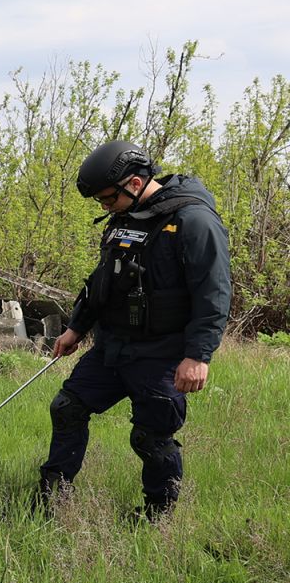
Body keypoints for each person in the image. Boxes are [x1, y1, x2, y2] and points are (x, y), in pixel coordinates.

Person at [38, 141, 231, 519]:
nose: (104, 206)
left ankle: (158, 517)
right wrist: (77, 327)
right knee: (67, 408)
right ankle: (52, 499)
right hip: (112, 348)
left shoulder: (194, 220)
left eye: (108, 198)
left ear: (137, 182)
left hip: (162, 352)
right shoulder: (124, 218)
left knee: (151, 438)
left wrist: (198, 355)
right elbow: (102, 281)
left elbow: (214, 291)